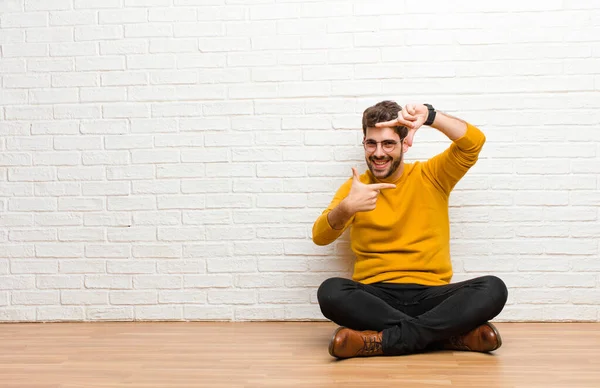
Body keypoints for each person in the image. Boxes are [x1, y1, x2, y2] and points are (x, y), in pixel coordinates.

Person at [312, 101, 508, 359]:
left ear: (405, 144)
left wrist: (431, 116)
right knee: (330, 292)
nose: (378, 153)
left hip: (433, 294)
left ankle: (379, 341)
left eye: (388, 143)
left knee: (493, 288)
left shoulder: (432, 175)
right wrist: (347, 207)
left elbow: (473, 143)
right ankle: (449, 335)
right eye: (371, 143)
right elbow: (320, 237)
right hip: (377, 297)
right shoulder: (356, 188)